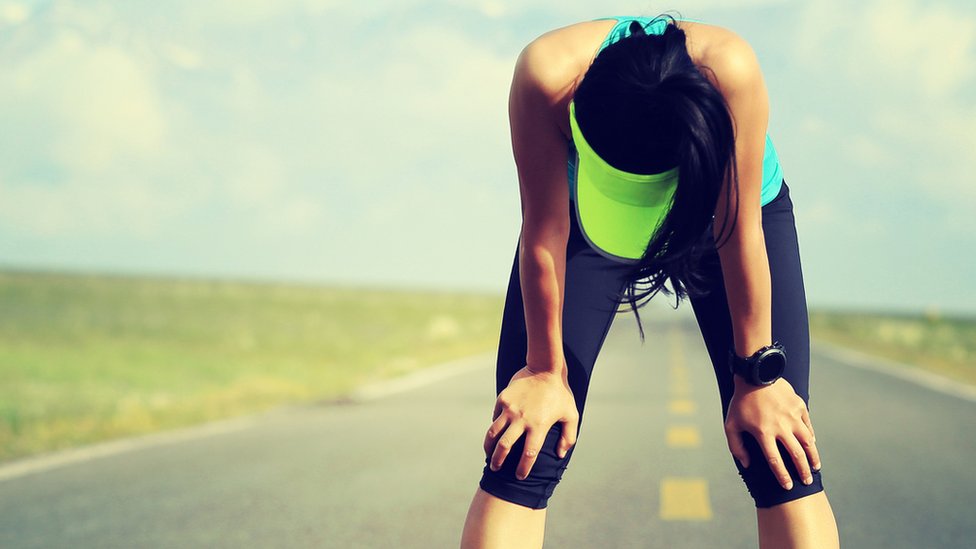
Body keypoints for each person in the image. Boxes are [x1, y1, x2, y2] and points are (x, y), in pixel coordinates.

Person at [459, 14, 840, 549]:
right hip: (580, 218)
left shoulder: (730, 71)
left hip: (721, 214)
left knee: (778, 448)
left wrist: (757, 378)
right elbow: (545, 230)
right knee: (527, 440)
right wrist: (544, 372)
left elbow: (740, 232)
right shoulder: (547, 75)